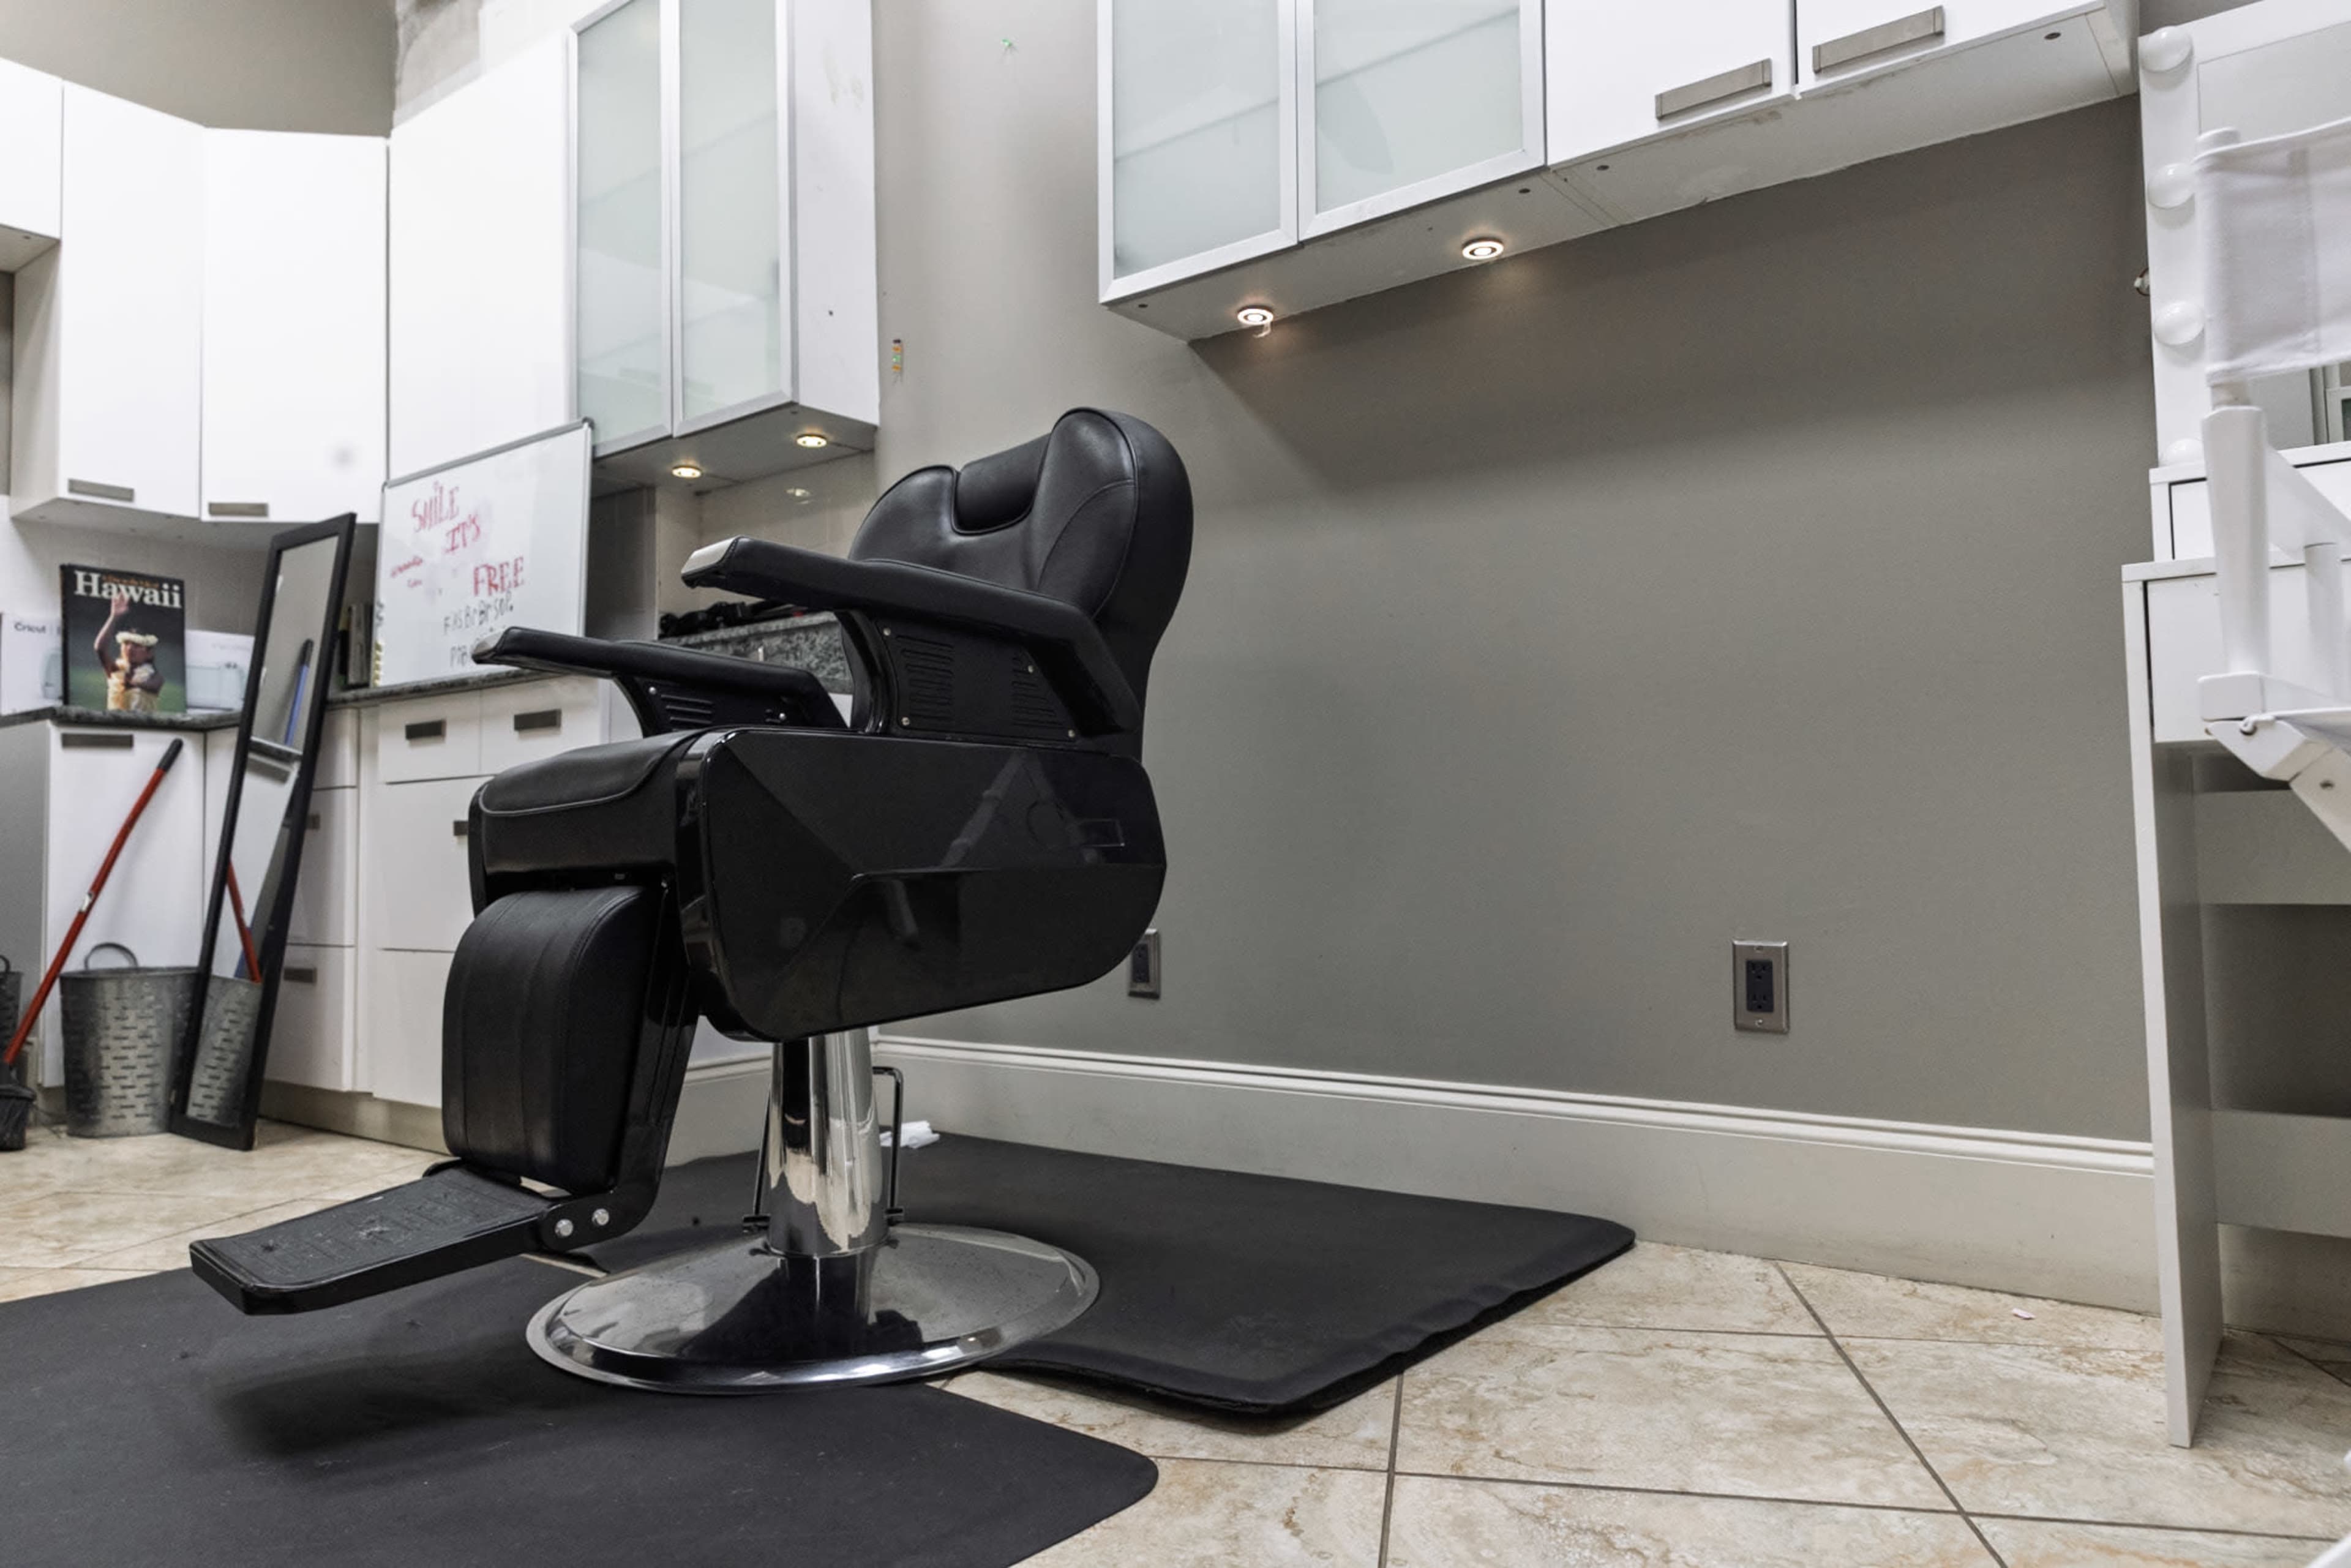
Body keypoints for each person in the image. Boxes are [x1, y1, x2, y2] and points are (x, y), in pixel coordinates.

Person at [94, 591, 164, 713]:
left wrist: (132, 682)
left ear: (149, 653)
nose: (130, 649)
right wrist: (114, 617)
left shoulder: (153, 675)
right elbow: (100, 648)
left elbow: (155, 685)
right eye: (126, 644)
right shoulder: (116, 670)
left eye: (137, 646)